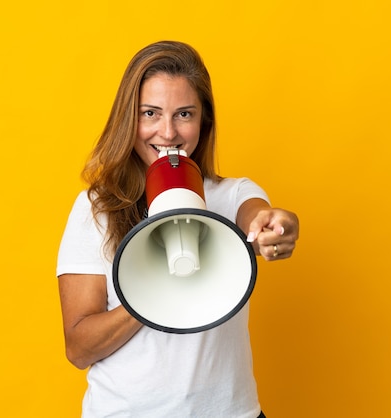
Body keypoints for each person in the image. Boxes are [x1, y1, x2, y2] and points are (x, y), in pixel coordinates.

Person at [57, 40, 299, 418]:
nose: (167, 133)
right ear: (128, 119)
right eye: (150, 113)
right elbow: (79, 349)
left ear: (204, 121)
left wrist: (278, 226)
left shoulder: (233, 195)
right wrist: (155, 292)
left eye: (184, 114)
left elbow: (262, 217)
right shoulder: (96, 209)